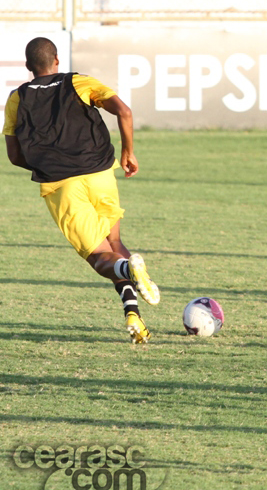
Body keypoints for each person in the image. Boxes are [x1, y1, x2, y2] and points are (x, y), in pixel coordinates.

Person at [3, 37, 159, 343]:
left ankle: (130, 269)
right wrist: (128, 152)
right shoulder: (79, 82)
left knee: (100, 257)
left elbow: (14, 155)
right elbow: (124, 112)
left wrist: (46, 164)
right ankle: (133, 315)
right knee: (114, 243)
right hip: (100, 174)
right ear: (57, 61)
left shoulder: (17, 98)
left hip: (61, 185)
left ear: (28, 67)